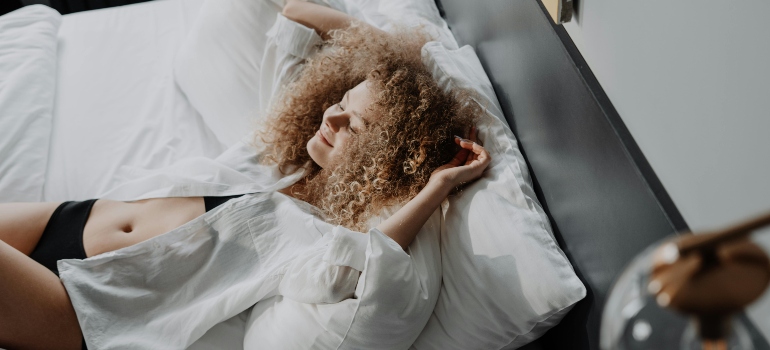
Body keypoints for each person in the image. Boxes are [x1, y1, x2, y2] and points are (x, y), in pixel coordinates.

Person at [0, 1, 490, 349]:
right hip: (67, 220)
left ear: (385, 158)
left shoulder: (312, 235)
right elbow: (296, 15)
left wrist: (435, 187)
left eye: (353, 126)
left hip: (80, 309)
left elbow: (360, 269)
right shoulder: (279, 156)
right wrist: (399, 64)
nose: (330, 118)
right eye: (339, 103)